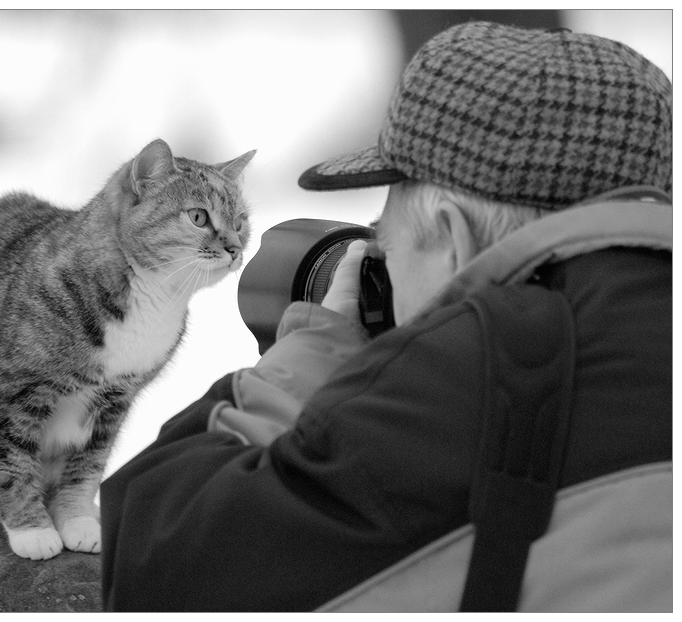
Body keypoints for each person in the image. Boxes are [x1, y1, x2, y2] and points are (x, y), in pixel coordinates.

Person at [99, 21, 672, 611]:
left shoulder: (479, 376)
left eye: (386, 246)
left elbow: (159, 559)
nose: (376, 264)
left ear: (452, 240)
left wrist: (317, 356)